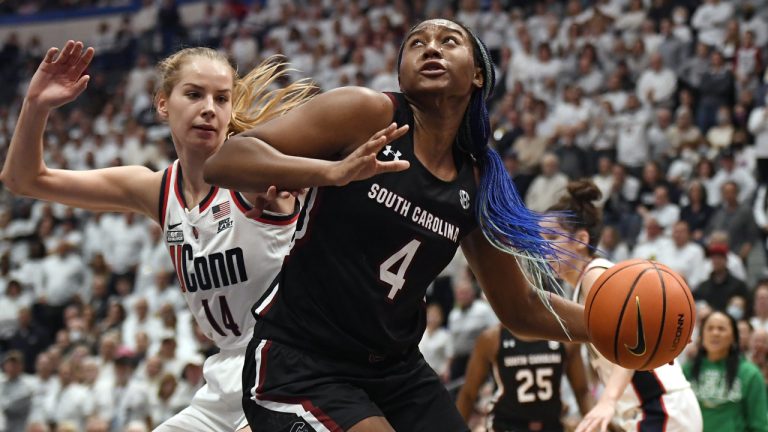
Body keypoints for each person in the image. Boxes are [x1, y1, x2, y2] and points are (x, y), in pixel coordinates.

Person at [204, 19, 593, 432]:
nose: (431, 48)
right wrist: (331, 172)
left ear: (478, 73)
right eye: (417, 43)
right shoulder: (366, 113)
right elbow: (224, 162)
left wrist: (609, 328)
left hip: (396, 372)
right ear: (401, 73)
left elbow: (522, 308)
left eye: (448, 41)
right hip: (302, 362)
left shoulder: (477, 183)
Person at [0, 41, 321, 431]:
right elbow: (23, 179)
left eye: (222, 99)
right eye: (194, 94)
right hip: (227, 376)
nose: (209, 107)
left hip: (294, 368)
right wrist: (36, 105)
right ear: (162, 104)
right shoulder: (156, 188)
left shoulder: (254, 170)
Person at [541, 180, 702, 432]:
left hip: (660, 404)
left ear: (581, 239)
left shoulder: (598, 275)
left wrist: (608, 401)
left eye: (551, 237)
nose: (543, 246)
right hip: (643, 409)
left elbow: (632, 342)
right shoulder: (580, 288)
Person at [456, 322, 593, 432]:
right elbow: (468, 394)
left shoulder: (565, 337)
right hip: (505, 425)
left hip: (551, 426)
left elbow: (582, 391)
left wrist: (597, 424)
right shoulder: (492, 338)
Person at [683, 310, 768, 432]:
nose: (715, 333)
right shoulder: (687, 370)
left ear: (734, 337)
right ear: (701, 336)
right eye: (710, 328)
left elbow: (759, 425)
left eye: (721, 328)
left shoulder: (750, 374)